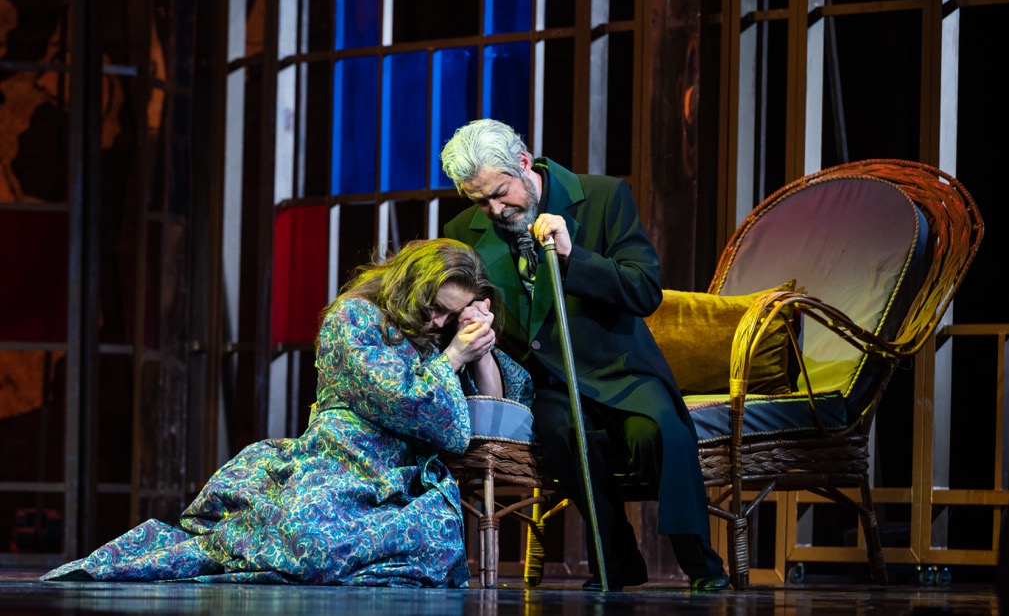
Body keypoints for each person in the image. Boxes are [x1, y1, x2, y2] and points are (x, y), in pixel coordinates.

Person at [40, 238, 533, 587]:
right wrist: (453, 357)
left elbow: (492, 408)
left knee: (425, 544)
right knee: (308, 536)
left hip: (405, 474)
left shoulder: (442, 338)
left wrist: (479, 347)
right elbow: (400, 399)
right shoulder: (355, 318)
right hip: (344, 457)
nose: (439, 322)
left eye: (452, 314)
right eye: (436, 308)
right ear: (412, 288)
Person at [440, 118, 729, 592]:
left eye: (501, 192)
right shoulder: (462, 231)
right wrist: (469, 316)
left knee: (658, 431)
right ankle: (615, 562)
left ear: (523, 162)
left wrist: (575, 257)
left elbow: (644, 290)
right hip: (546, 382)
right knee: (563, 436)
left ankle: (701, 564)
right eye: (480, 201)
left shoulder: (602, 197)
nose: (495, 209)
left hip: (621, 369)